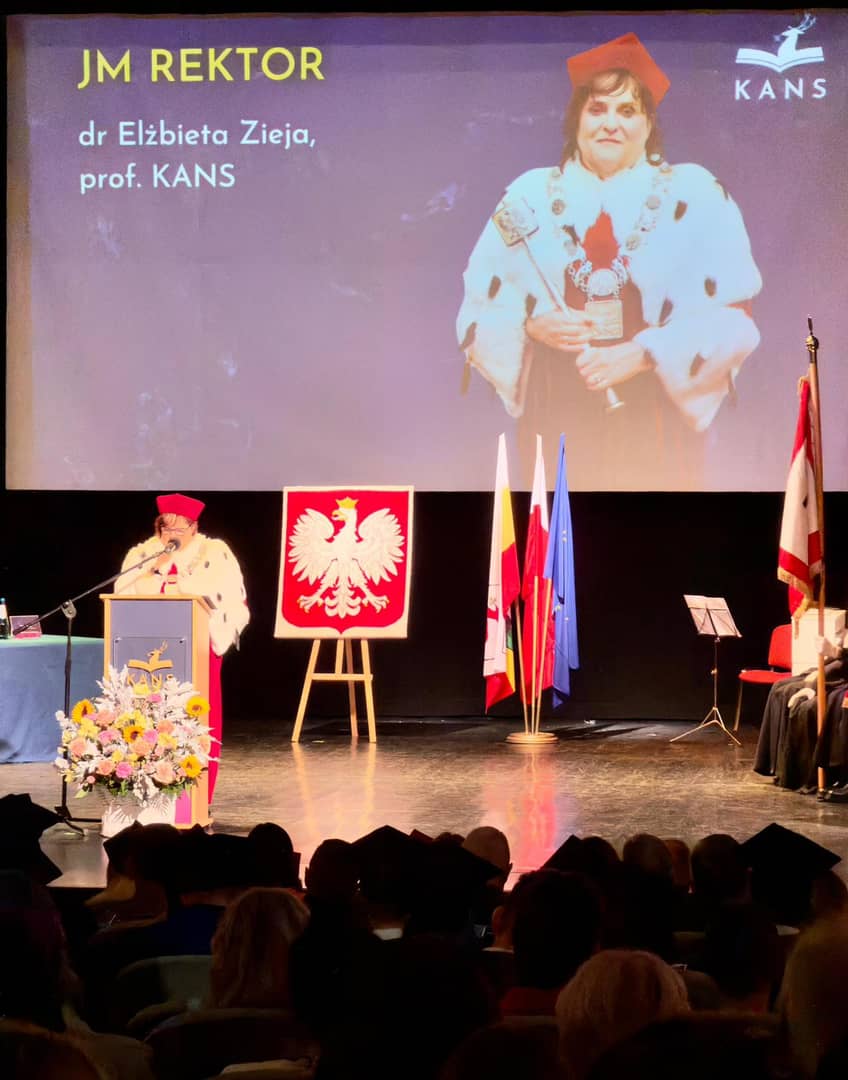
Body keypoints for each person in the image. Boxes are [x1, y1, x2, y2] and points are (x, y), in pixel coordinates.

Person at [456, 32, 761, 489]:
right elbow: (481, 305)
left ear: (648, 124)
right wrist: (531, 327)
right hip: (556, 404)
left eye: (627, 111)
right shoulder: (528, 195)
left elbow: (734, 314)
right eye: (597, 109)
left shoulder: (695, 194)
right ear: (576, 119)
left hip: (655, 412)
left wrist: (646, 353)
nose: (610, 124)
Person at [114, 493, 249, 804]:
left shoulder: (214, 553)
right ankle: (149, 796)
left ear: (194, 527)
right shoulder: (142, 555)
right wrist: (155, 571)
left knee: (199, 720)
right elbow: (122, 595)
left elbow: (229, 599)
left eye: (179, 528)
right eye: (166, 527)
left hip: (199, 648)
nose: (171, 534)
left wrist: (184, 580)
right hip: (146, 651)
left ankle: (198, 800)